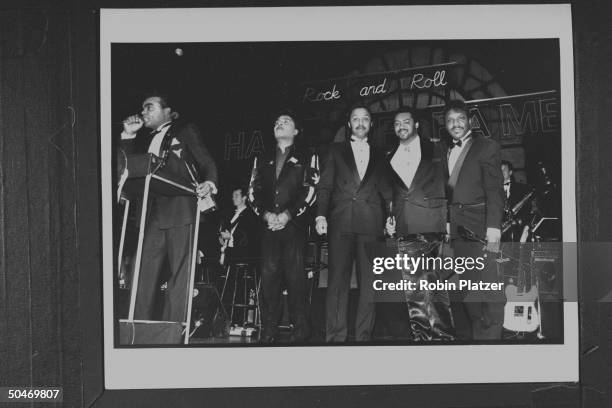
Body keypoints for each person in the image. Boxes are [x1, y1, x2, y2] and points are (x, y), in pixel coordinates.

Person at [120, 92, 218, 322]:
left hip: (182, 209)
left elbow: (206, 161)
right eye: (142, 108)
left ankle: (175, 329)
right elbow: (125, 166)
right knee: (140, 268)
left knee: (181, 273)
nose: (143, 112)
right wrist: (127, 135)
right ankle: (137, 325)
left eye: (149, 107)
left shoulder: (185, 130)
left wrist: (210, 182)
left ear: (167, 111)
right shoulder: (143, 139)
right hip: (153, 211)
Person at [315, 105, 392, 342]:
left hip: (371, 223)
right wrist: (320, 215)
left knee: (370, 285)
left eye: (365, 119)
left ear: (371, 124)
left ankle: (363, 338)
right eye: (355, 119)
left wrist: (391, 215)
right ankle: (334, 338)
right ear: (349, 124)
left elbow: (387, 190)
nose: (360, 123)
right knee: (337, 282)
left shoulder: (381, 154)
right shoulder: (335, 150)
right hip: (341, 222)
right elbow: (325, 186)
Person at [384, 107, 452, 340]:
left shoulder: (436, 148)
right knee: (413, 290)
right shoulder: (389, 155)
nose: (401, 126)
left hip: (432, 223)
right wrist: (388, 219)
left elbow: (448, 185)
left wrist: (449, 219)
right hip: (405, 225)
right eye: (396, 123)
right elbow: (390, 192)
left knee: (434, 287)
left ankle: (444, 338)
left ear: (416, 125)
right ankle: (422, 339)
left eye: (406, 122)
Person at [249, 109, 316, 343]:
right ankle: (268, 330)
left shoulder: (308, 156)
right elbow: (252, 192)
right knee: (269, 280)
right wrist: (266, 215)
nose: (280, 123)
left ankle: (301, 331)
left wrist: (288, 214)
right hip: (268, 228)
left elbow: (311, 191)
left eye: (286, 121)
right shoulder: (261, 158)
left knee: (296, 279)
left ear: (295, 131)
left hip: (294, 227)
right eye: (277, 122)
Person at [442, 99, 505, 340]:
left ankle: (493, 339)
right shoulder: (446, 150)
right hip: (458, 229)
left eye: (460, 119)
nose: (455, 124)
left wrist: (494, 229)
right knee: (469, 287)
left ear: (469, 121)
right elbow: (449, 193)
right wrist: (448, 224)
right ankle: (480, 337)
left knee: (489, 286)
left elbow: (494, 190)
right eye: (450, 120)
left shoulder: (486, 146)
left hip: (482, 227)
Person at [218, 187, 259, 265]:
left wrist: (231, 237)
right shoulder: (230, 214)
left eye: (236, 195)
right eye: (233, 196)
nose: (233, 198)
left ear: (244, 198)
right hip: (227, 250)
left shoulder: (250, 215)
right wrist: (222, 238)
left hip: (241, 253)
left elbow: (249, 238)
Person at [500, 160, 531, 242]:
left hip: (517, 233)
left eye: (504, 170)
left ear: (510, 172)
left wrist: (526, 229)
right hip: (500, 234)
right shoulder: (492, 191)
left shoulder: (521, 188)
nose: (501, 172)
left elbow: (528, 210)